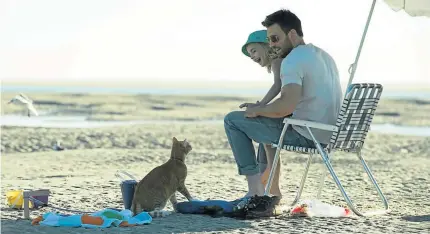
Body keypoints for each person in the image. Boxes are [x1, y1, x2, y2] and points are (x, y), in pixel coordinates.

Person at [224, 9, 342, 201]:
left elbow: (285, 106)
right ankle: (269, 186)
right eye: (270, 40)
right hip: (328, 133)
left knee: (232, 120)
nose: (273, 45)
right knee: (264, 121)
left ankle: (255, 191)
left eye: (276, 39)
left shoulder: (294, 59)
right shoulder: (325, 56)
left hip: (308, 135)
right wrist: (262, 110)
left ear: (292, 34)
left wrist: (258, 110)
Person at [239, 29, 283, 195]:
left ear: (266, 46)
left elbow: (278, 86)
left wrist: (261, 106)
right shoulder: (281, 61)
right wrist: (261, 106)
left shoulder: (278, 60)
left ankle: (267, 181)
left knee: (264, 132)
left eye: (254, 51)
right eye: (250, 54)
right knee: (265, 134)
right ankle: (268, 180)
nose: (252, 56)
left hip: (299, 122)